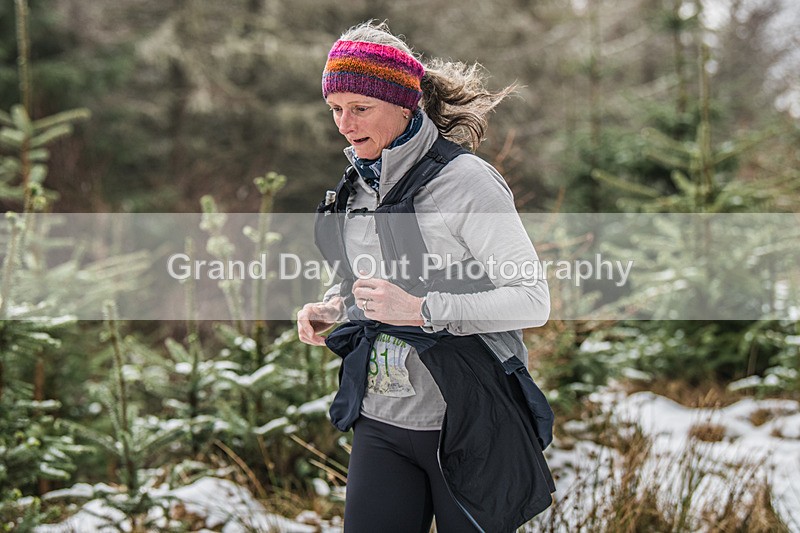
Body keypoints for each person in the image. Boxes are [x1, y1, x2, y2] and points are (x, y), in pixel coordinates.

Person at [297, 20, 555, 533]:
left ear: (404, 102)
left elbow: (533, 300)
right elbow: (360, 283)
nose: (345, 125)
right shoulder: (358, 186)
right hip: (382, 421)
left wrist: (422, 309)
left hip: (467, 419)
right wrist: (332, 307)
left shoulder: (466, 183)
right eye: (335, 109)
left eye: (360, 108)